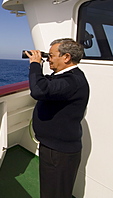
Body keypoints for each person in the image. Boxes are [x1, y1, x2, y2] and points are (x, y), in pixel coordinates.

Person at [25, 38, 89, 198]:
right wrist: (38, 67)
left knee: (53, 194)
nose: (48, 59)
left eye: (51, 56)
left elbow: (39, 90)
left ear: (66, 57)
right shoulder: (67, 77)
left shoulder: (72, 80)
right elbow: (48, 82)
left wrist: (35, 65)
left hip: (59, 152)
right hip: (56, 148)